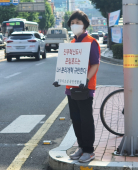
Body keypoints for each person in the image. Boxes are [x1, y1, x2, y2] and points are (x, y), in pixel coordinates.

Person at [53, 10, 100, 163]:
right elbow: (67, 65)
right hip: (71, 88)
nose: (75, 25)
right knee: (76, 119)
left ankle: (89, 150)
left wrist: (86, 79)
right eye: (72, 23)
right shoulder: (71, 43)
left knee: (86, 119)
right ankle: (81, 147)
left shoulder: (92, 42)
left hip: (85, 88)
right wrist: (59, 79)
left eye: (78, 23)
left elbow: (95, 64)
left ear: (85, 25)